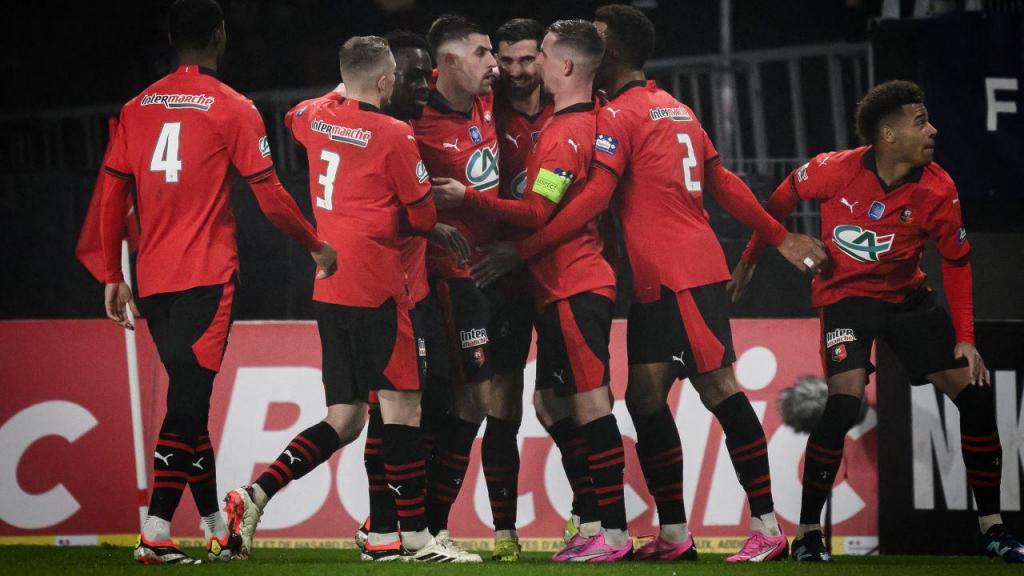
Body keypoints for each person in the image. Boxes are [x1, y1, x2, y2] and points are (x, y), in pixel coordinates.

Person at [471, 4, 825, 563]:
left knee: (720, 391)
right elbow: (721, 181)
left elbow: (593, 198)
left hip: (679, 274)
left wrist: (522, 250)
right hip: (663, 278)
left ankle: (766, 527)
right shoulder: (676, 108)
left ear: (607, 55)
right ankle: (676, 533)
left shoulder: (619, 115)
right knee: (643, 397)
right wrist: (778, 237)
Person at [730, 79, 1024, 564]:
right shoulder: (834, 169)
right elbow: (780, 200)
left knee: (974, 399)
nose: (933, 129)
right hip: (845, 301)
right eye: (920, 121)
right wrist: (750, 259)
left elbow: (957, 261)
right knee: (841, 406)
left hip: (909, 300)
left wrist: (967, 339)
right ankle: (807, 535)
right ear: (888, 135)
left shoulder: (939, 188)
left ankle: (992, 529)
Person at [98, 0, 336, 564]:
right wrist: (314, 243)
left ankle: (211, 522)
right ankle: (155, 529)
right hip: (206, 275)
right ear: (220, 36)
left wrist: (114, 273)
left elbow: (112, 195)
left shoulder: (136, 107)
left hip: (153, 279)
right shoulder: (233, 107)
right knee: (187, 400)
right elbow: (272, 196)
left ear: (172, 37)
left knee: (189, 396)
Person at [222, 35, 472, 564]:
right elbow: (425, 217)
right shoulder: (394, 133)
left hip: (330, 283)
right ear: (385, 81)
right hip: (379, 286)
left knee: (348, 418)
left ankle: (257, 494)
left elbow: (295, 113)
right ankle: (416, 539)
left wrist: (345, 88)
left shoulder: (313, 117)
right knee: (404, 407)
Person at [433, 18, 632, 562]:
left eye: (533, 57)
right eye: (509, 59)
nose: (520, 70)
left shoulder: (572, 121)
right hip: (517, 278)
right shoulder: (491, 104)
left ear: (557, 65)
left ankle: (602, 524)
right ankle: (515, 532)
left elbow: (547, 207)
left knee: (572, 402)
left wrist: (476, 210)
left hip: (559, 272)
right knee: (516, 403)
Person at [409, 14, 498, 560]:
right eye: (482, 53)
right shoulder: (413, 123)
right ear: (445, 64)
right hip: (445, 278)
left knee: (473, 399)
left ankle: (421, 522)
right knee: (451, 399)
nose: (494, 64)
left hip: (487, 277)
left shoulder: (489, 104)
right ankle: (416, 524)